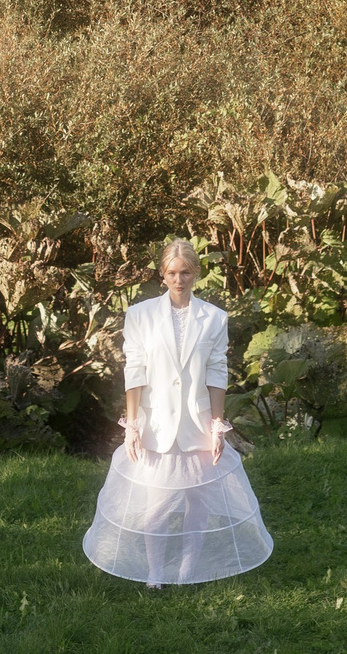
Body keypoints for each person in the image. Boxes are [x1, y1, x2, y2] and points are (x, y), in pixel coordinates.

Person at [81, 237, 274, 586]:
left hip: (197, 423)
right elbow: (135, 369)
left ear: (196, 274)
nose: (179, 279)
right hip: (156, 422)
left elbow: (216, 371)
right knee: (155, 504)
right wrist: (133, 424)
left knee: (196, 500)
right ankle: (155, 570)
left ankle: (188, 567)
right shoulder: (140, 315)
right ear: (162, 274)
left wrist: (217, 425)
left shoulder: (214, 318)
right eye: (172, 272)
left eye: (185, 272)